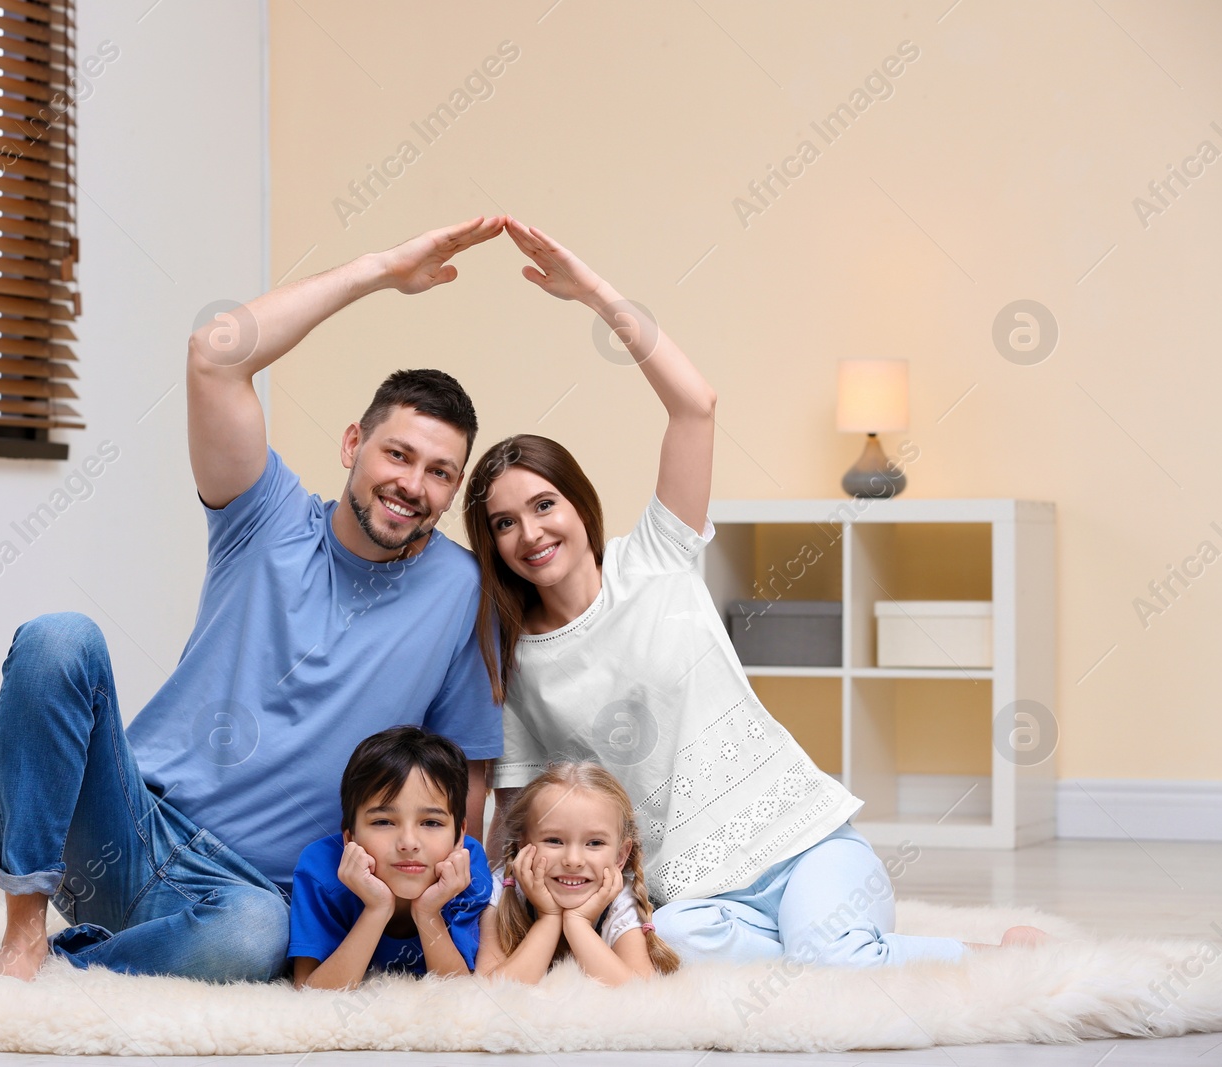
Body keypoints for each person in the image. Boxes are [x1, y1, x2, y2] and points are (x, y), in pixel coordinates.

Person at [0, 216, 511, 981]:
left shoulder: (461, 590)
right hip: (132, 829)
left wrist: (455, 913)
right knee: (58, 638)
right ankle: (22, 935)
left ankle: (66, 961)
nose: (413, 485)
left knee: (253, 938)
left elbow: (464, 772)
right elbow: (215, 354)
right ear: (354, 444)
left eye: (441, 472)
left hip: (252, 894)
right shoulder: (267, 516)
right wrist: (381, 269)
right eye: (398, 453)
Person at [465, 218, 1044, 968]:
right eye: (504, 522)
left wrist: (598, 297)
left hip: (805, 845)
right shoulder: (523, 663)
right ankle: (834, 947)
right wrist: (485, 901)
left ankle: (984, 954)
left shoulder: (657, 557)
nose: (530, 532)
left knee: (826, 955)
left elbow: (695, 406)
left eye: (544, 504)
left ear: (578, 503)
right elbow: (517, 807)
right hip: (692, 898)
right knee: (665, 947)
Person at [289, 726, 492, 989]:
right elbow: (309, 993)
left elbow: (457, 994)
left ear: (459, 835)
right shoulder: (320, 869)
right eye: (384, 821)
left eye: (431, 823)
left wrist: (428, 911)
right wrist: (377, 909)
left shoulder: (467, 868)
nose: (408, 843)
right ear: (350, 837)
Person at [476, 761, 678, 986]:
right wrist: (549, 918)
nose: (573, 861)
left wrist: (577, 922)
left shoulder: (619, 901)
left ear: (621, 856)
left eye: (594, 843)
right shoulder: (503, 890)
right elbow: (489, 989)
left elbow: (640, 992)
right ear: (523, 845)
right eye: (554, 840)